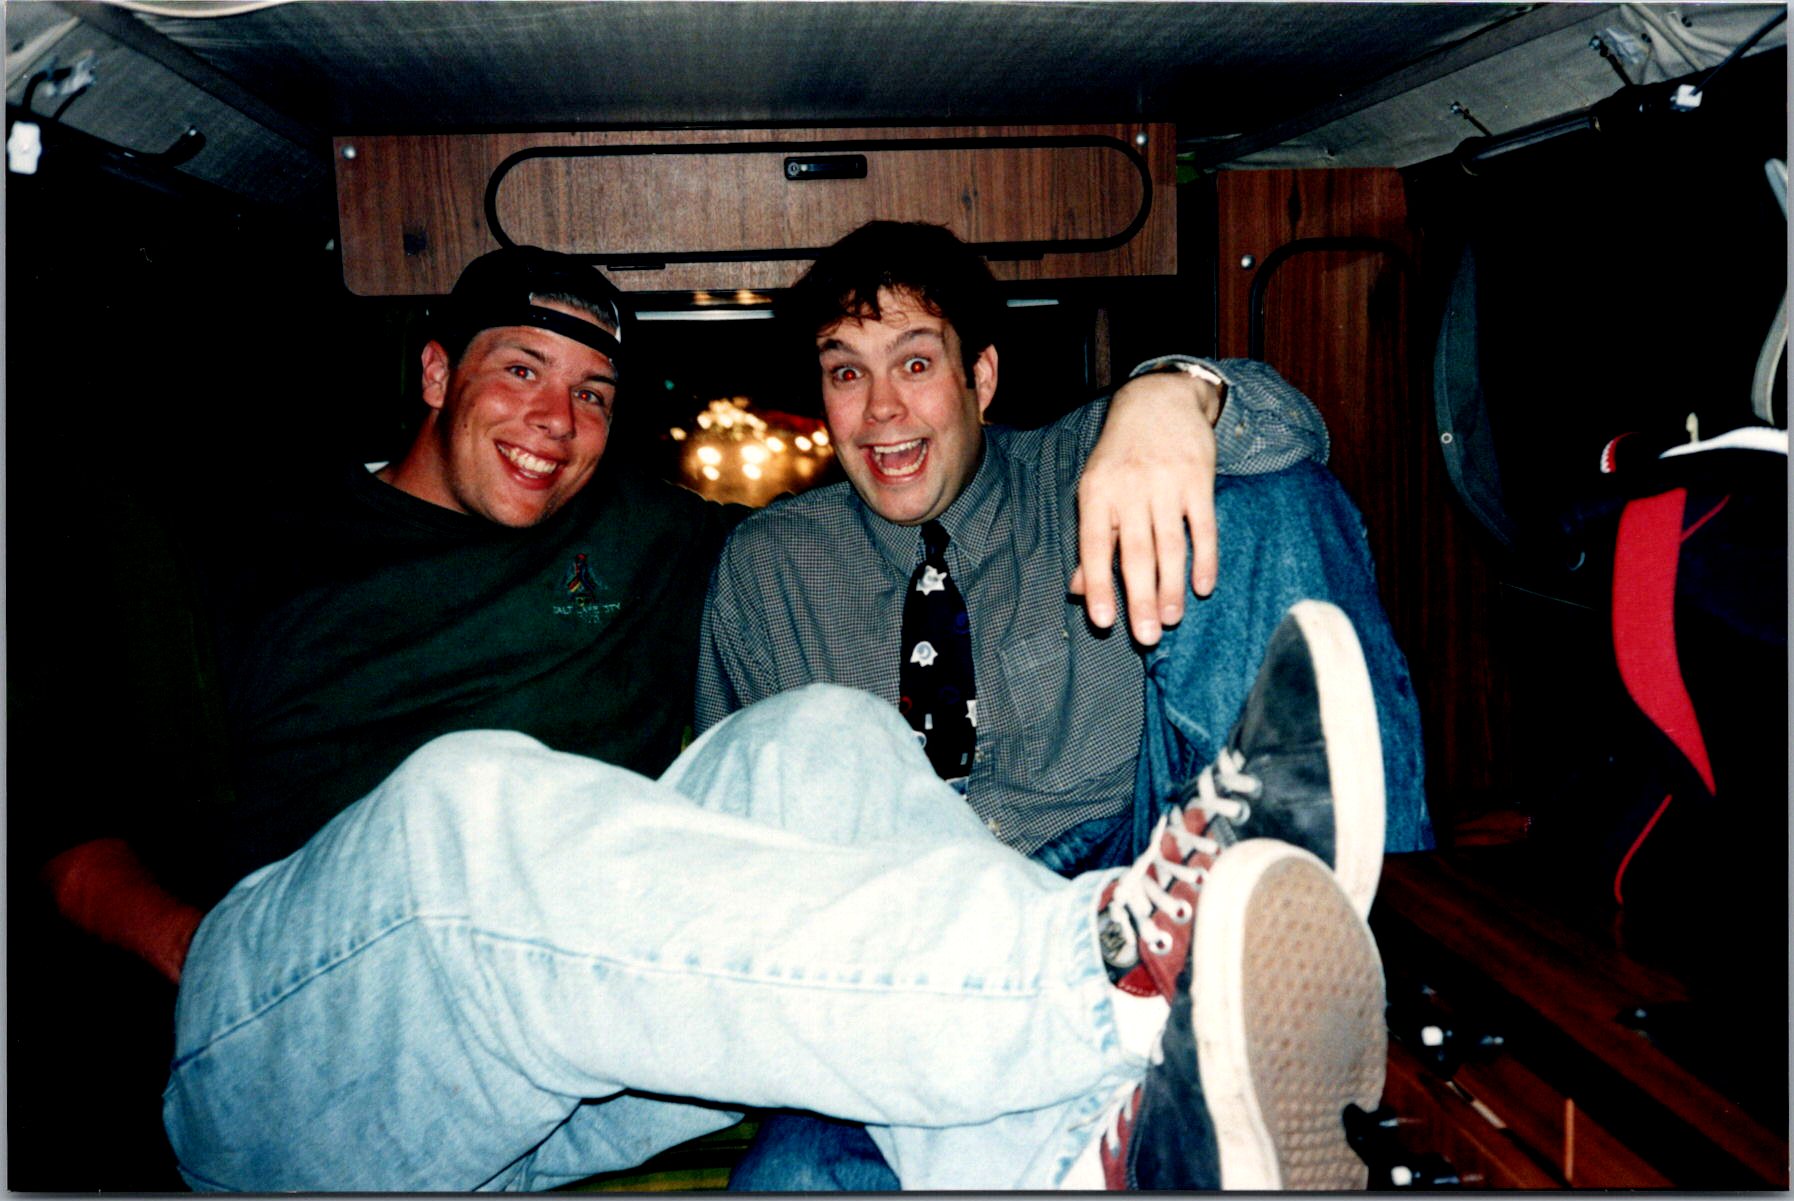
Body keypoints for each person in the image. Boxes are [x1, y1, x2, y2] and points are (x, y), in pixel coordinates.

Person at [38, 245, 1383, 1189]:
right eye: (520, 371)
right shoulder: (242, 537)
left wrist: (1171, 386)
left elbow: (1259, 441)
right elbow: (65, 824)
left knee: (826, 736)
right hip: (288, 1045)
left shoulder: (667, 545)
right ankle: (1109, 967)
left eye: (592, 394)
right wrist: (195, 950)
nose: (553, 421)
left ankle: (1072, 1155)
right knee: (464, 801)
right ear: (438, 370)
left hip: (530, 1085)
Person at [698, 220, 1431, 1188]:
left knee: (1259, 494)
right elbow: (737, 848)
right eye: (846, 373)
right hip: (920, 954)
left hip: (1144, 871)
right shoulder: (768, 570)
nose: (880, 411)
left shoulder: (1080, 466)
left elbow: (1293, 430)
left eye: (915, 363)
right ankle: (1127, 1127)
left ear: (981, 376)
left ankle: (1330, 963)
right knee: (790, 1178)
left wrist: (1171, 393)